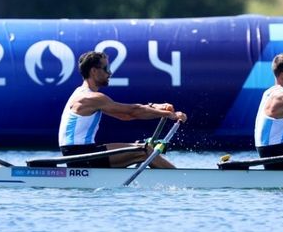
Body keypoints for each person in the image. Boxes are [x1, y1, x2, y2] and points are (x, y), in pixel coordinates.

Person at [58, 51, 187, 168]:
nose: (110, 73)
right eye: (106, 68)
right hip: (81, 155)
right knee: (144, 151)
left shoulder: (82, 94)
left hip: (80, 153)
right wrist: (171, 115)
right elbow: (133, 111)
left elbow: (125, 116)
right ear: (94, 71)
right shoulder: (91, 97)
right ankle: (183, 181)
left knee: (139, 148)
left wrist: (155, 106)